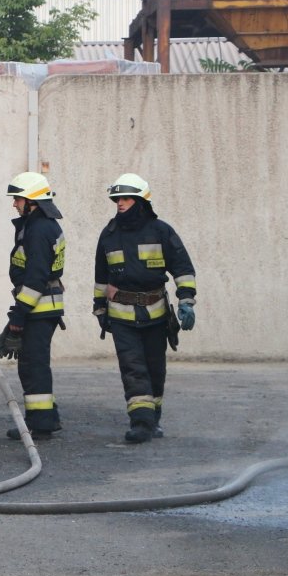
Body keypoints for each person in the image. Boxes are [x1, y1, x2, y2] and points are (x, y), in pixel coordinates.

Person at [93, 173, 196, 444]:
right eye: (117, 199)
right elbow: (101, 277)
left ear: (141, 201)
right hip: (122, 317)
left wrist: (186, 300)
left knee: (155, 368)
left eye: (126, 198)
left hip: (156, 315)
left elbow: (183, 269)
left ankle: (154, 418)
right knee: (132, 368)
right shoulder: (109, 233)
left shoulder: (161, 231)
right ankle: (140, 422)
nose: (120, 204)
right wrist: (100, 309)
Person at [0, 172, 66, 440]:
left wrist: (18, 316)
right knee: (32, 364)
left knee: (34, 365)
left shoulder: (38, 230)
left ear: (32, 201)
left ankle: (42, 424)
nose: (15, 204)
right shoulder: (40, 226)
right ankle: (44, 418)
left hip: (39, 307)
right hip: (41, 307)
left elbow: (35, 278)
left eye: (18, 199)